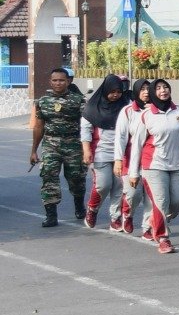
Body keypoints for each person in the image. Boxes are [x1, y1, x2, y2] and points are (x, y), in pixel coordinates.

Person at [124, 79, 179, 255]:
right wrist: (133, 173)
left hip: (178, 165)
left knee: (178, 201)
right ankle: (163, 238)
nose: (163, 90)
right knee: (161, 202)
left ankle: (157, 221)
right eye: (158, 88)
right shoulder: (146, 115)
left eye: (165, 87)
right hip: (153, 166)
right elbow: (137, 145)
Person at [29, 67, 86, 227]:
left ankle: (79, 206)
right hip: (51, 145)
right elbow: (39, 127)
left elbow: (86, 125)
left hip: (73, 144)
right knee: (48, 178)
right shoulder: (43, 102)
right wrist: (34, 150)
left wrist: (87, 148)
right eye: (55, 80)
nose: (58, 83)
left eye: (61, 80)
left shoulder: (78, 100)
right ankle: (51, 215)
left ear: (68, 81)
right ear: (50, 82)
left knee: (76, 178)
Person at [80, 75, 127, 230]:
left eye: (118, 91)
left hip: (121, 153)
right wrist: (86, 150)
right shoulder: (92, 108)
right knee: (103, 185)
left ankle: (116, 218)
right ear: (105, 90)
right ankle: (92, 209)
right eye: (112, 91)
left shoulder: (126, 105)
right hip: (100, 152)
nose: (115, 95)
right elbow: (86, 131)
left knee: (119, 187)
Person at [113, 80, 152, 234]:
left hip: (153, 160)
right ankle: (127, 214)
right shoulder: (128, 111)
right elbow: (121, 136)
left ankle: (148, 227)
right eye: (142, 89)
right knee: (133, 193)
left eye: (149, 89)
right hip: (130, 160)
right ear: (136, 91)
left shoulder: (158, 110)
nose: (146, 92)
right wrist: (118, 160)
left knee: (152, 196)